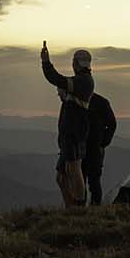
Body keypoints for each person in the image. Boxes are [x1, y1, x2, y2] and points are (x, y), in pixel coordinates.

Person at [40, 41, 94, 208]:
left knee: (73, 168)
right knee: (62, 175)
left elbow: (55, 78)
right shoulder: (82, 81)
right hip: (70, 132)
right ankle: (71, 206)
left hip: (74, 132)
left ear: (76, 64)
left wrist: (46, 62)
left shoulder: (83, 81)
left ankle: (78, 207)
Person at [84, 91, 117, 206]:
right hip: (84, 148)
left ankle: (93, 207)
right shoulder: (100, 101)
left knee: (93, 182)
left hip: (92, 149)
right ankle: (84, 208)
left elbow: (112, 124)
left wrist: (102, 143)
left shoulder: (101, 102)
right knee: (86, 181)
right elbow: (112, 124)